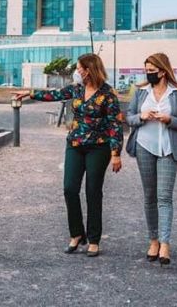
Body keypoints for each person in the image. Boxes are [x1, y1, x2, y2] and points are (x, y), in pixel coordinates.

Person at [14, 53, 123, 257]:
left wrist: (116, 153)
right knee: (69, 188)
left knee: (93, 192)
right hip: (74, 144)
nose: (77, 71)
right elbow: (54, 95)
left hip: (98, 147)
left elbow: (115, 124)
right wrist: (29, 93)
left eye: (80, 68)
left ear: (89, 70)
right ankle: (76, 234)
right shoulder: (76, 88)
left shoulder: (108, 94)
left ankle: (93, 239)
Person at [125, 53, 177, 265]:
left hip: (168, 149)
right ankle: (153, 239)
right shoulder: (141, 92)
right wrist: (141, 117)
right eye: (146, 70)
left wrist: (170, 119)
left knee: (164, 197)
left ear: (163, 71)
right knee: (150, 195)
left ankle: (165, 244)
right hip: (144, 145)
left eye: (152, 70)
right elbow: (129, 117)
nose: (148, 74)